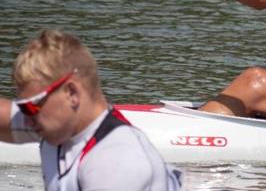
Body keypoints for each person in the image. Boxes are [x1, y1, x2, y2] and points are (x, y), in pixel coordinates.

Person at [0, 29, 182, 191]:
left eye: (31, 106)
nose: (27, 118)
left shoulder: (114, 162)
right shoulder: (57, 125)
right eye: (22, 107)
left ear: (71, 93)